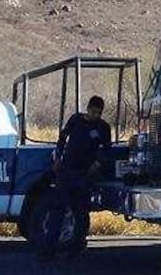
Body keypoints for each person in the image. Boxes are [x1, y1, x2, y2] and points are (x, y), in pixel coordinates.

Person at [39, 95, 111, 259]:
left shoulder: (102, 127)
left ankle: (77, 247)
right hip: (66, 171)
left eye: (98, 113)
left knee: (81, 212)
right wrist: (57, 157)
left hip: (85, 174)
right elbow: (63, 138)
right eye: (93, 112)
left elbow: (106, 150)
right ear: (88, 109)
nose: (95, 116)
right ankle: (49, 249)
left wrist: (97, 164)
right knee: (58, 209)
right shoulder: (76, 120)